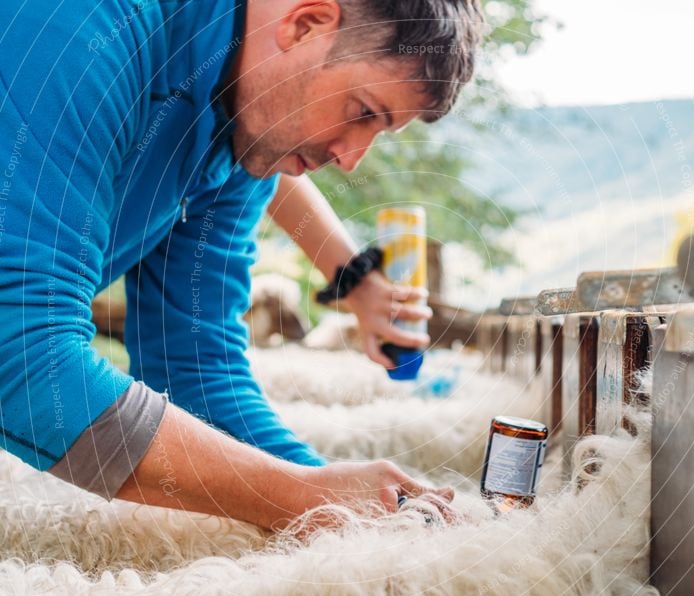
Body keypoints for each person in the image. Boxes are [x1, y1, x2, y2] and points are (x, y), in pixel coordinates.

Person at [0, 0, 483, 531]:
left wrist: (364, 512)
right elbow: (23, 356)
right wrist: (298, 496)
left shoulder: (247, 130)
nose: (351, 159)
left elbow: (196, 372)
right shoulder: (80, 27)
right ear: (306, 23)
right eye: (363, 111)